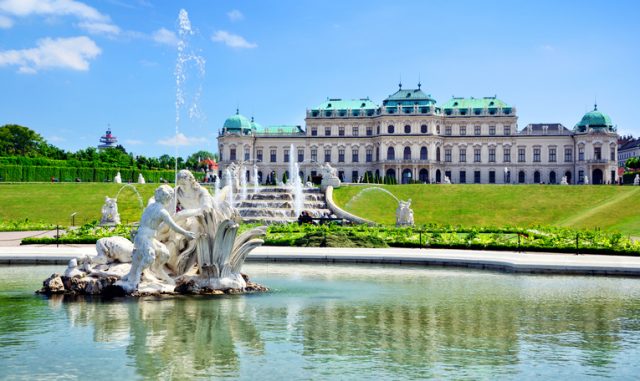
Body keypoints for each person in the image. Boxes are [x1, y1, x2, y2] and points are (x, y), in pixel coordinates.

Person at [120, 185, 197, 292]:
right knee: (149, 258)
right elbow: (173, 226)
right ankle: (135, 279)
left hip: (147, 238)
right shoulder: (162, 212)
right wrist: (186, 233)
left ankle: (159, 272)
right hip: (143, 238)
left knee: (164, 254)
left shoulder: (150, 206)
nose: (171, 201)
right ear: (167, 198)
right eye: (170, 198)